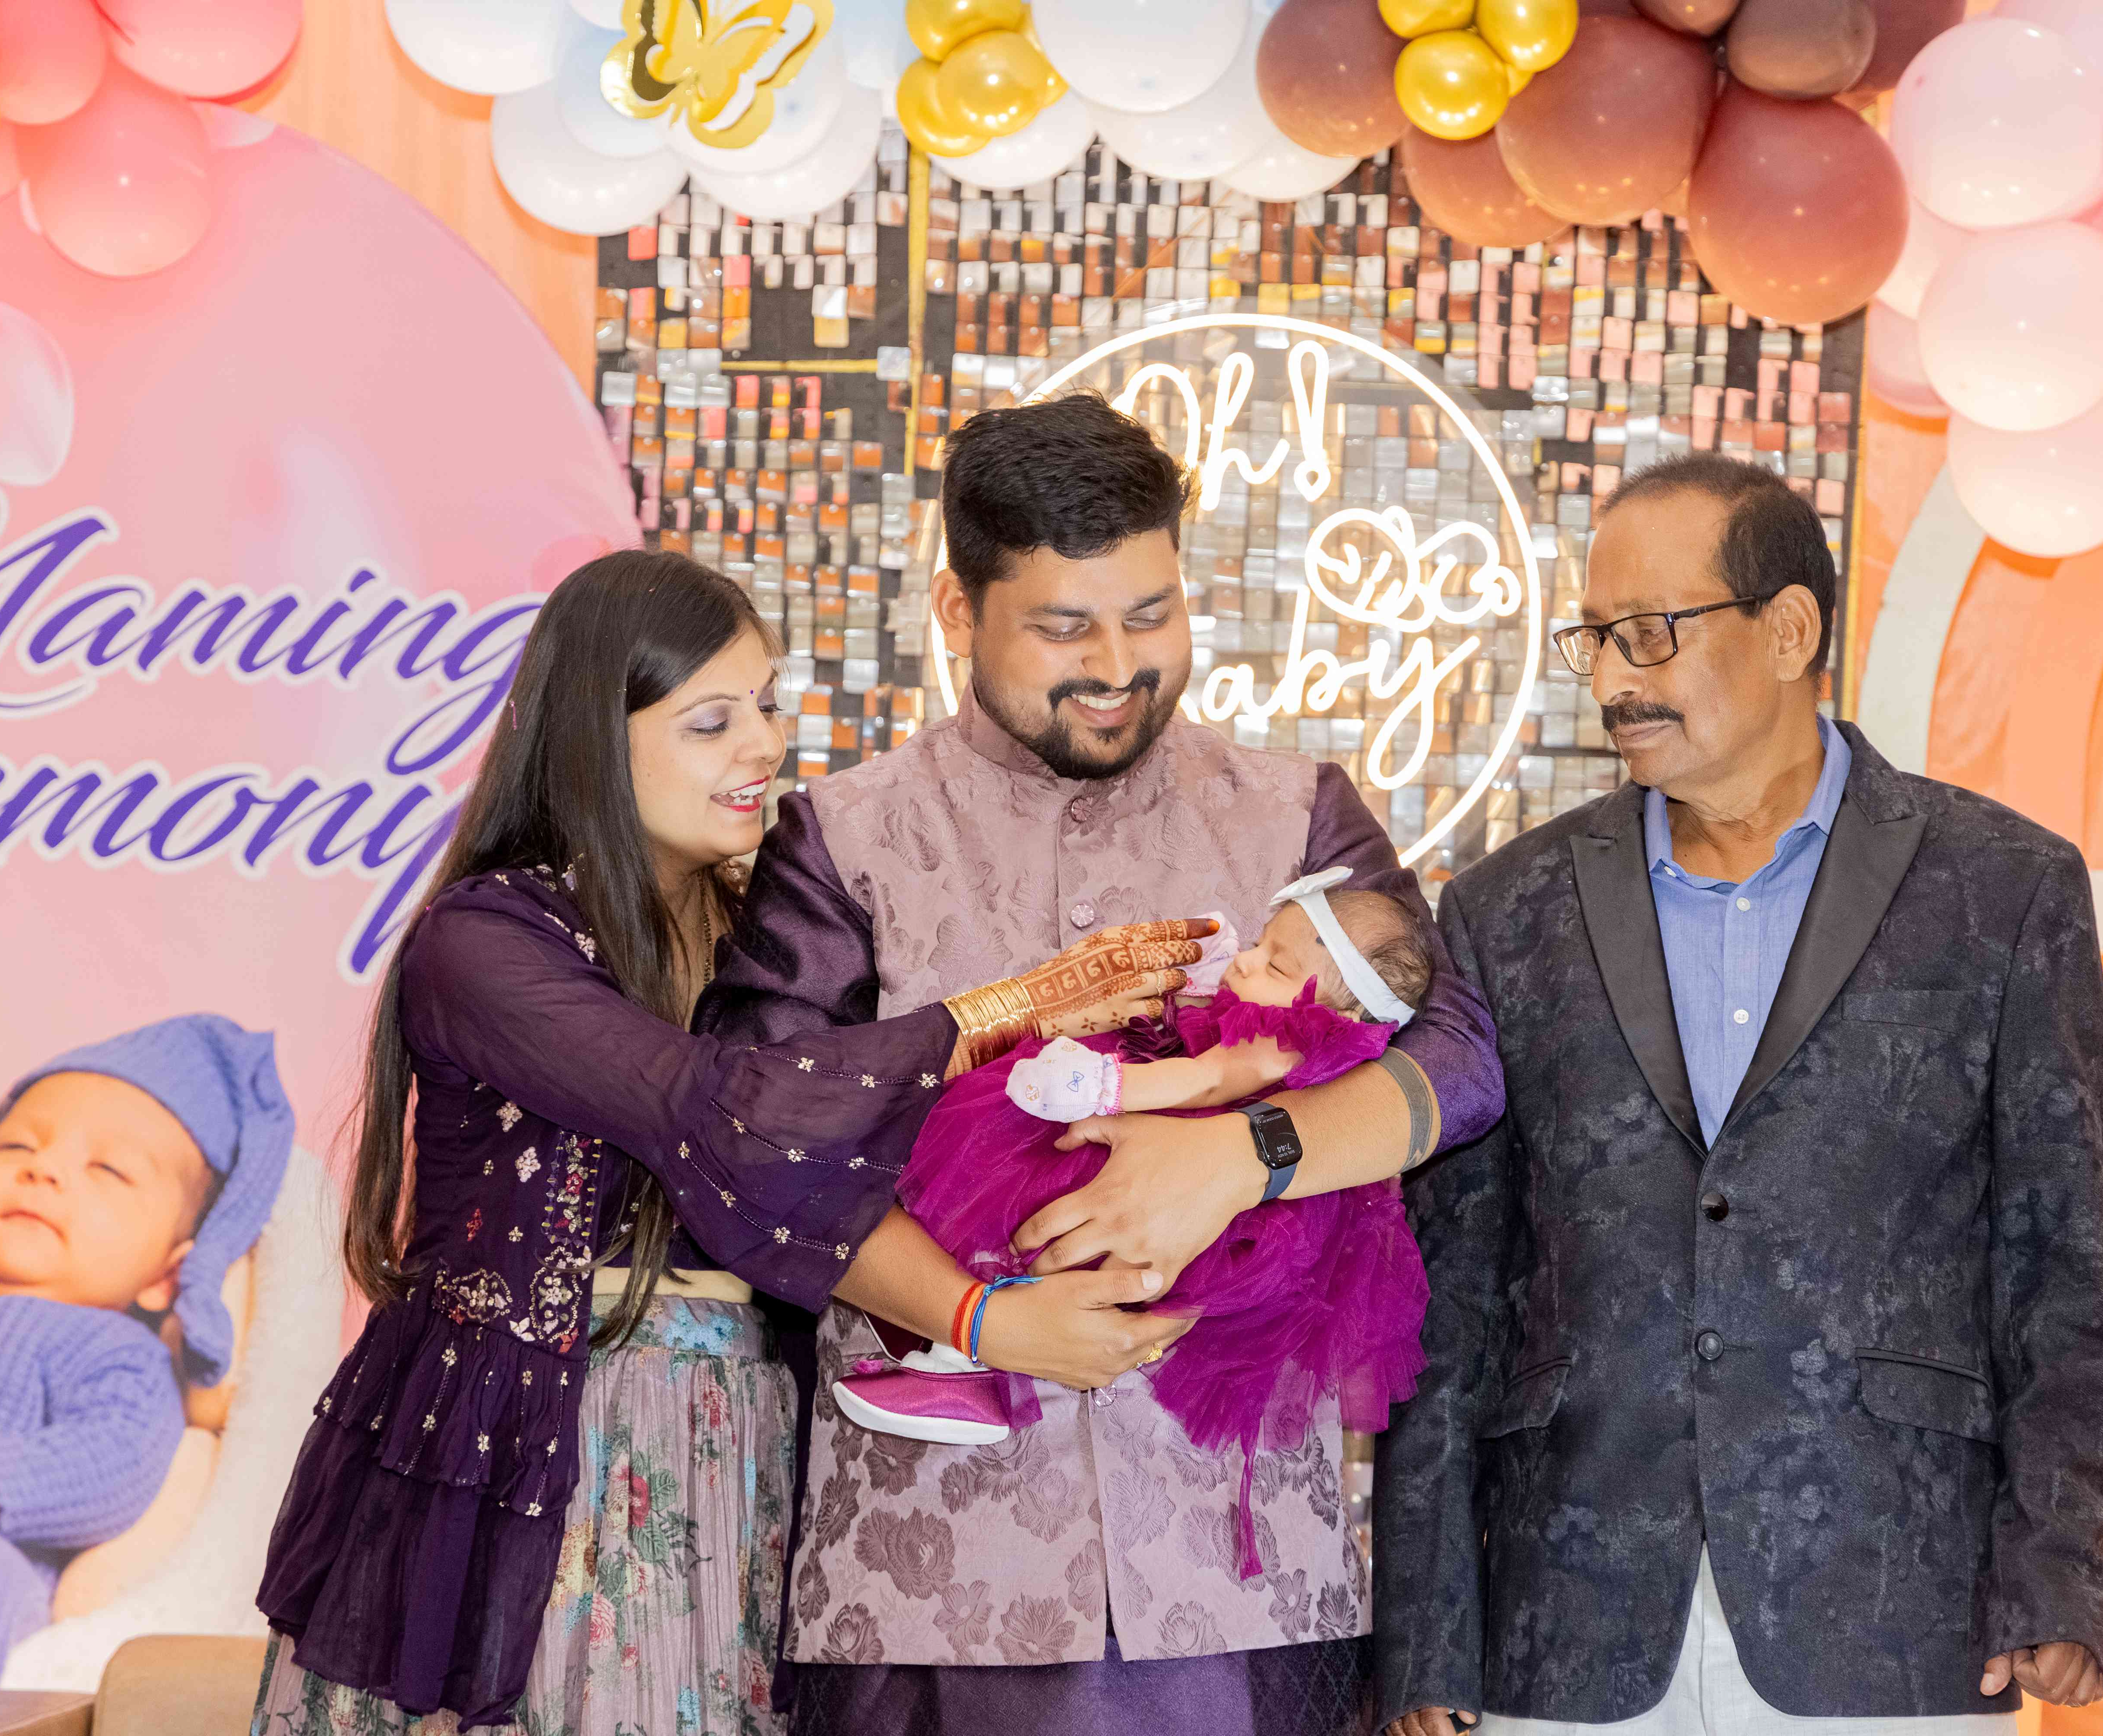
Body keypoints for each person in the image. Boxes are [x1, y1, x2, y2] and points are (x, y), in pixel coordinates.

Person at [248, 550, 1205, 1734]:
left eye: (764, 706)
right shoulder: (484, 942)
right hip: (529, 1457)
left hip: (739, 1446)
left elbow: (882, 1160)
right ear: (594, 741)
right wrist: (1015, 1006)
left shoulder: (775, 930)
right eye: (712, 723)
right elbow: (716, 1108)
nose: (763, 746)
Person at [713, 394, 1503, 1736]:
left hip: (1244, 1573)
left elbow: (1461, 1058)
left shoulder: (1296, 813)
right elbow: (760, 1151)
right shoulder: (845, 839)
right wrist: (981, 1322)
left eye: (1152, 616)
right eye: (1065, 629)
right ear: (959, 613)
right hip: (936, 1580)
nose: (1120, 666)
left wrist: (1240, 1157)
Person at [1376, 453, 2103, 1736]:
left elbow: (2064, 1264)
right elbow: (1451, 1295)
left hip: (1896, 1613)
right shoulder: (1509, 910)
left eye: (1650, 634)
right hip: (1568, 1624)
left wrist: (2059, 1564)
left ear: (1788, 631)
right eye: (1596, 639)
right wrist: (1426, 1643)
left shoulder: (2005, 889)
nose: (1613, 680)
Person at [835, 870, 1437, 1584]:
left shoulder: (1286, 1040)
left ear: (1340, 1008)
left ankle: (970, 1368)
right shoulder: (1292, 1025)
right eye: (1261, 946)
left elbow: (1204, 1081)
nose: (1249, 964)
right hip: (1194, 1181)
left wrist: (1102, 1086)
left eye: (1274, 966)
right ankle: (964, 1353)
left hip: (1205, 1194)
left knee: (1027, 1192)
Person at [0, 1014, 290, 1711]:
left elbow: (112, 1457)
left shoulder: (115, 1354)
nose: (43, 1169)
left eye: (107, 1170)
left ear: (167, 1276)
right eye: (16, 1146)